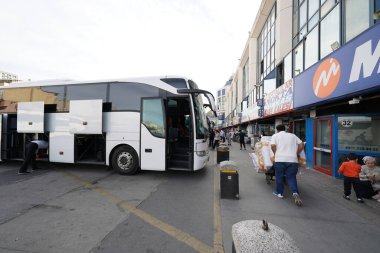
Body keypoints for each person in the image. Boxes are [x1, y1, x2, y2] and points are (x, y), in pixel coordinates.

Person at [270, 124, 304, 206]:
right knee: (291, 177)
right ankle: (295, 192)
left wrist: (276, 153)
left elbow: (273, 146)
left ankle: (280, 193)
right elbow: (301, 144)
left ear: (277, 130)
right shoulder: (293, 135)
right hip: (293, 160)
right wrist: (297, 153)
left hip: (280, 160)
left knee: (279, 176)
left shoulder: (275, 136)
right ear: (285, 129)